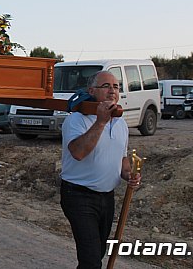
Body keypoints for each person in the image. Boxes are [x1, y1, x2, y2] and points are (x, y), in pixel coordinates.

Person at [60, 71, 142, 269]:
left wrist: (128, 174)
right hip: (78, 195)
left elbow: (121, 158)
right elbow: (78, 152)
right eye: (106, 86)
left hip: (106, 197)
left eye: (116, 87)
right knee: (91, 259)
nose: (112, 90)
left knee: (98, 252)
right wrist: (101, 122)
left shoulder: (121, 123)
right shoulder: (76, 120)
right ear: (92, 91)